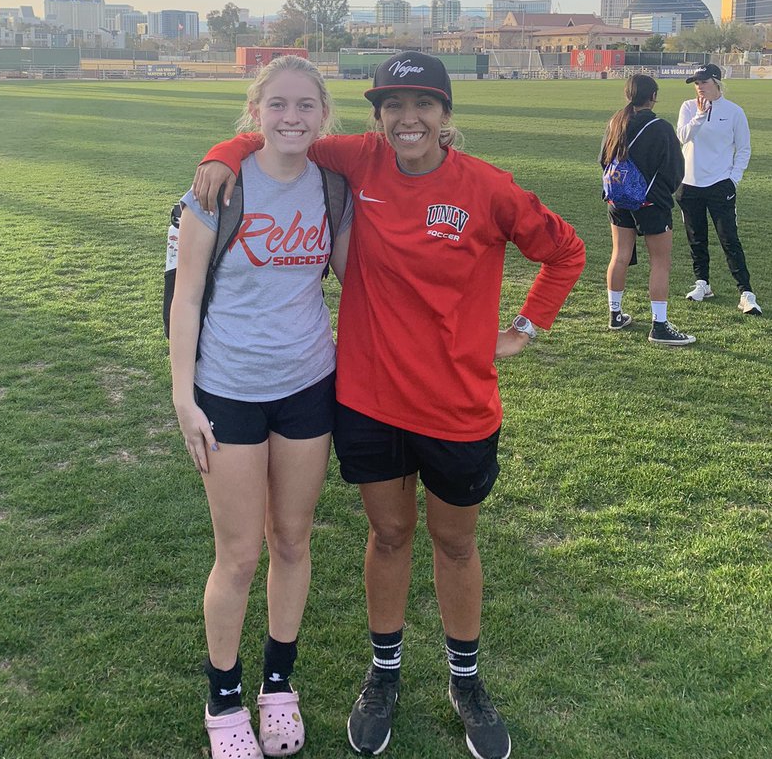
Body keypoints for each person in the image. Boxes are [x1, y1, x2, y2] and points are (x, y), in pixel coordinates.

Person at [192, 51, 585, 759]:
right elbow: (283, 129)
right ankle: (385, 673)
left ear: (445, 115)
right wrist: (224, 149)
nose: (408, 119)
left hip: (459, 404)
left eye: (423, 104)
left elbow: (566, 251)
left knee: (456, 541)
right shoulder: (360, 160)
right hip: (369, 400)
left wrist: (526, 326)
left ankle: (465, 679)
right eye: (393, 106)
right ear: (376, 116)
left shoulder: (487, 187)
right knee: (391, 535)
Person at [169, 56, 353, 759]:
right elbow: (186, 299)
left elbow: (356, 275)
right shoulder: (217, 189)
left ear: (324, 114)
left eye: (306, 105)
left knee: (293, 540)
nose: (292, 118)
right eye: (277, 104)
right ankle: (224, 699)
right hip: (229, 390)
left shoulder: (332, 188)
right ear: (255, 111)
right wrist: (183, 397)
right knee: (240, 554)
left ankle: (279, 686)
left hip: (307, 386)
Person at [600, 73, 695, 345]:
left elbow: (603, 161)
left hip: (617, 201)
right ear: (652, 96)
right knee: (660, 262)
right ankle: (659, 325)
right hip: (652, 203)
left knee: (619, 255)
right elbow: (676, 169)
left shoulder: (615, 123)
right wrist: (660, 191)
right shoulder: (661, 127)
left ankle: (615, 315)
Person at [675, 63, 761, 315]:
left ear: (716, 83)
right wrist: (700, 115)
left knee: (729, 239)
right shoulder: (688, 107)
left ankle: (746, 292)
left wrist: (732, 179)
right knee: (696, 238)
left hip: (720, 185)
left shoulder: (734, 112)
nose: (699, 87)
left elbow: (743, 148)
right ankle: (702, 283)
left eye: (703, 82)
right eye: (696, 83)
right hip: (689, 184)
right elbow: (682, 136)